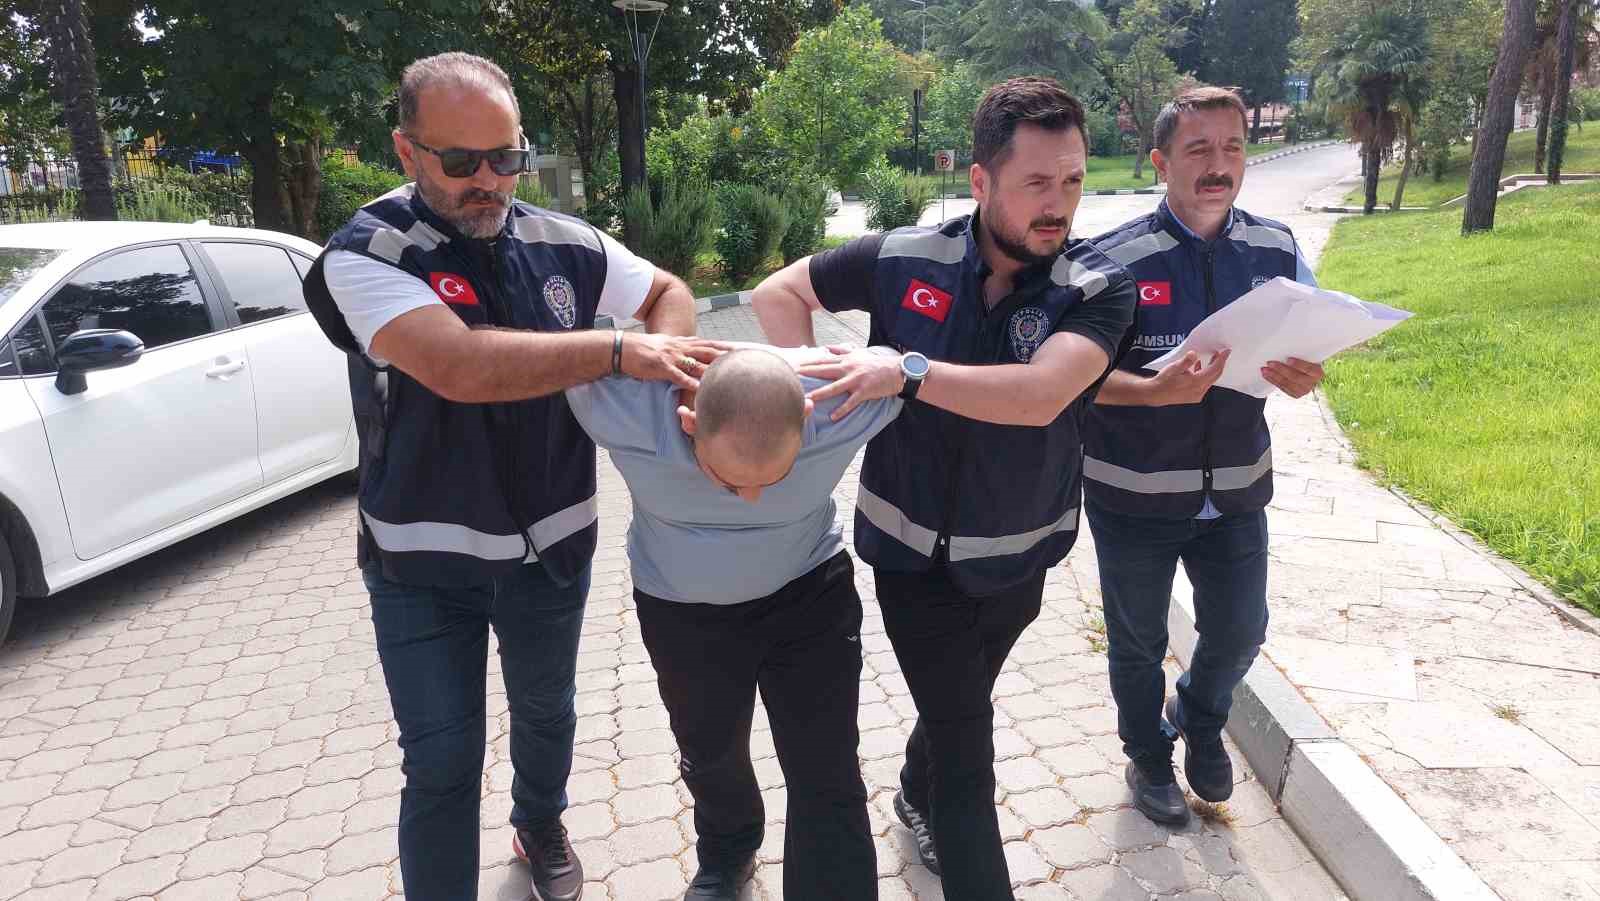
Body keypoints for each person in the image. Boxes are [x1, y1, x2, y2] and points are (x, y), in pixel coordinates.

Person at [301, 52, 722, 901]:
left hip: (551, 549)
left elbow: (666, 292)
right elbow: (460, 365)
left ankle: (541, 823)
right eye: (462, 161)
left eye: (507, 157)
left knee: (547, 713)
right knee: (441, 762)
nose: (488, 181)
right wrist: (615, 351)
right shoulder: (366, 254)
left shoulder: (562, 242)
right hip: (422, 565)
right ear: (407, 150)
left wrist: (673, 378)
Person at [749, 77, 1137, 899]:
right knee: (967, 746)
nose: (1058, 204)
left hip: (1020, 560)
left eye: (1073, 180)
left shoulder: (1097, 286)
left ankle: (912, 789)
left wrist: (905, 370)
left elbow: (1039, 395)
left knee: (958, 700)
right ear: (980, 180)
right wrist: (810, 408)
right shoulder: (903, 257)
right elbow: (778, 292)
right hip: (910, 556)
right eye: (1036, 182)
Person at [565, 347, 901, 901]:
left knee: (828, 765)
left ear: (806, 422)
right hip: (684, 616)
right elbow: (562, 354)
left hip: (808, 599)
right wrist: (627, 347)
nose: (751, 497)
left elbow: (903, 365)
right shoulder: (623, 410)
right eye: (728, 481)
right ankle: (728, 848)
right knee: (710, 751)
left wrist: (898, 366)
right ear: (689, 424)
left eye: (775, 477)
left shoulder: (839, 406)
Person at [1084, 86, 1325, 828]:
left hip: (1238, 489)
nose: (1218, 165)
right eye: (1198, 150)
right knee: (1138, 643)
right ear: (1161, 162)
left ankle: (1197, 715)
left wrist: (1307, 373)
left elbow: (1312, 339)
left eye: (1232, 148)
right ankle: (1147, 756)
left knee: (1242, 629)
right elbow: (1073, 379)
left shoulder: (1277, 251)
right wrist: (1152, 392)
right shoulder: (1111, 260)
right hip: (1134, 495)